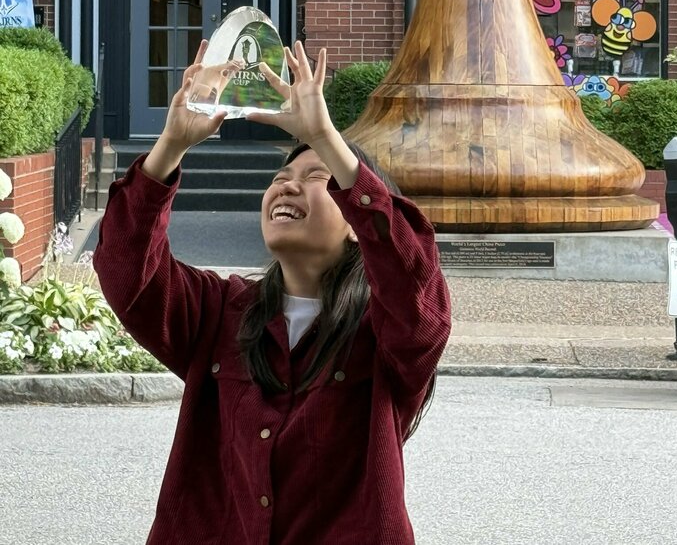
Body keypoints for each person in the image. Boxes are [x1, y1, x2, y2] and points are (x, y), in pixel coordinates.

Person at [94, 40, 451, 545]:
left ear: (357, 220)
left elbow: (416, 282)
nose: (285, 186)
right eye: (280, 177)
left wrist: (324, 136)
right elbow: (125, 269)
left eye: (316, 177)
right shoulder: (219, 312)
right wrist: (170, 145)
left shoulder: (386, 335)